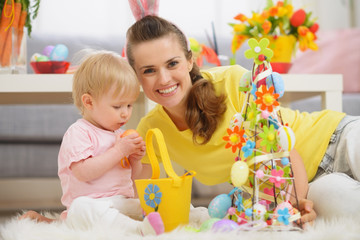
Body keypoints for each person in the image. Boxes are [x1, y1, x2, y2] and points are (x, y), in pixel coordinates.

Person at [125, 15, 360, 225]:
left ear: (189, 61)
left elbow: (281, 148)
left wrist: (289, 205)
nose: (164, 78)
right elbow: (145, 199)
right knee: (348, 209)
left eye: (172, 63)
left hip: (335, 137)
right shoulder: (151, 130)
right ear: (136, 76)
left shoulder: (232, 81)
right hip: (309, 185)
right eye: (148, 70)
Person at [20, 50, 164, 235]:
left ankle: (188, 216)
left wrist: (135, 160)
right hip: (92, 204)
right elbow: (84, 172)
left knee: (151, 201)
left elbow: (133, 179)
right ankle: (139, 230)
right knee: (80, 209)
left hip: (121, 202)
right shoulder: (79, 132)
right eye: (117, 106)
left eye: (129, 105)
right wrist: (119, 151)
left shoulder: (119, 134)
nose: (125, 113)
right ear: (89, 102)